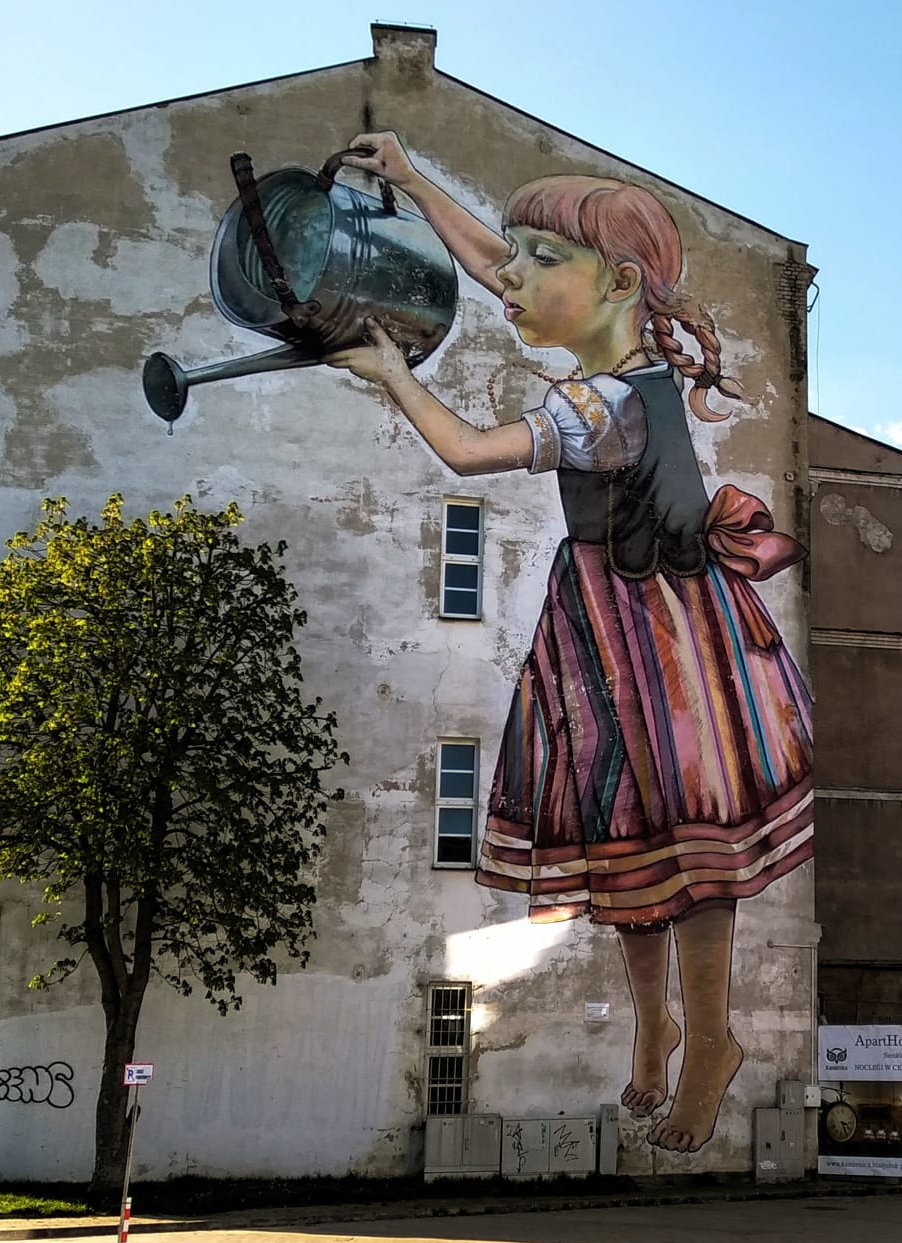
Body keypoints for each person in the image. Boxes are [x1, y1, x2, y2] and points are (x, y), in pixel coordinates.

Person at [325, 133, 813, 1154]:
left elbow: (463, 448)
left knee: (689, 845)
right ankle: (652, 1038)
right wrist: (414, 178)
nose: (512, 280)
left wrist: (390, 372)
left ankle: (710, 1040)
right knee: (623, 842)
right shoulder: (614, 373)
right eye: (522, 257)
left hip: (663, 643)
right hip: (601, 628)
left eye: (546, 262)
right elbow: (496, 267)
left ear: (619, 284)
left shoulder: (601, 408)